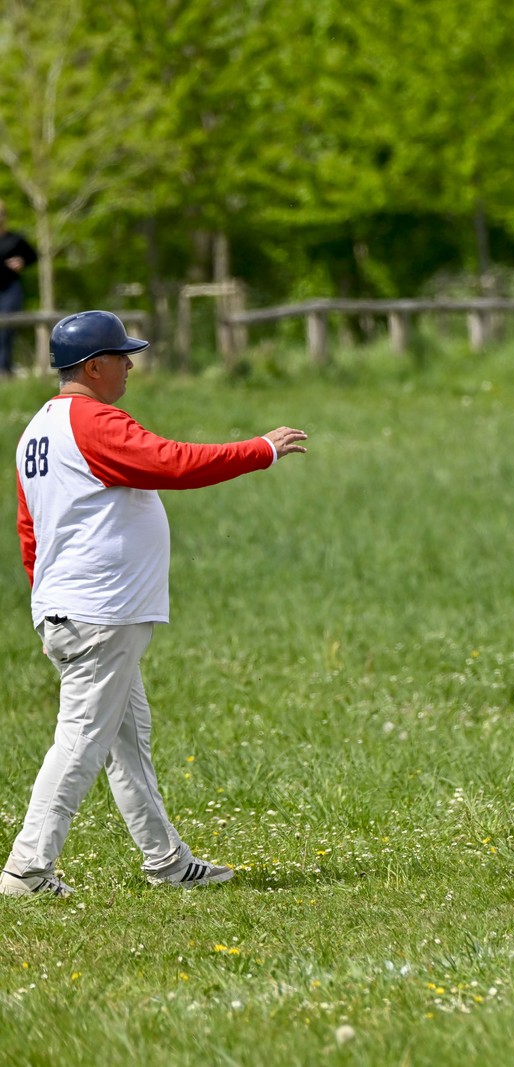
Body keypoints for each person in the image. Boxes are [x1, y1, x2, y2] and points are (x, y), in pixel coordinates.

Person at [2, 311, 307, 898]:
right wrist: (259, 450)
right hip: (101, 613)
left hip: (74, 609)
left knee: (128, 743)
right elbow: (171, 463)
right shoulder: (92, 421)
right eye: (122, 356)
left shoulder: (36, 427)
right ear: (93, 366)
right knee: (82, 740)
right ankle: (27, 870)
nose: (130, 366)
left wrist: (49, 603)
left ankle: (166, 860)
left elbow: (29, 531)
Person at [0, 199, 39, 377]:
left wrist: (21, 261)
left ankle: (4, 370)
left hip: (10, 290)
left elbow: (33, 256)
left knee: (6, 331)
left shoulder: (15, 240)